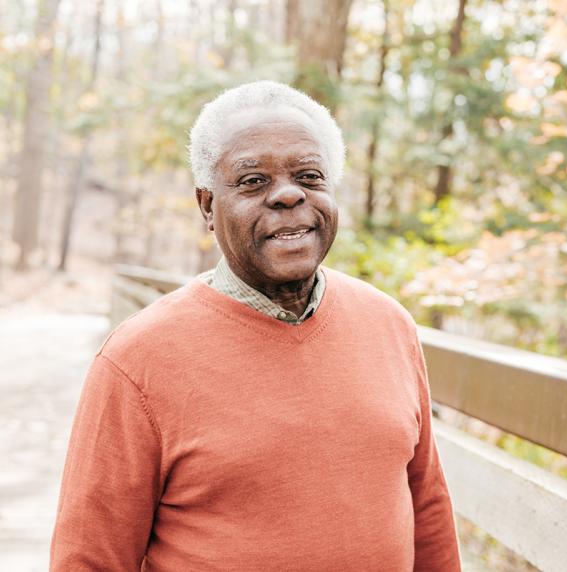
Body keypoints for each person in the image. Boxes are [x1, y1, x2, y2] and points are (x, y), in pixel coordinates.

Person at [50, 80, 461, 571]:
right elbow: (89, 557)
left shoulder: (388, 324)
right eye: (252, 181)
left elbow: (427, 505)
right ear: (207, 205)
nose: (288, 195)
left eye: (309, 176)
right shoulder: (138, 358)